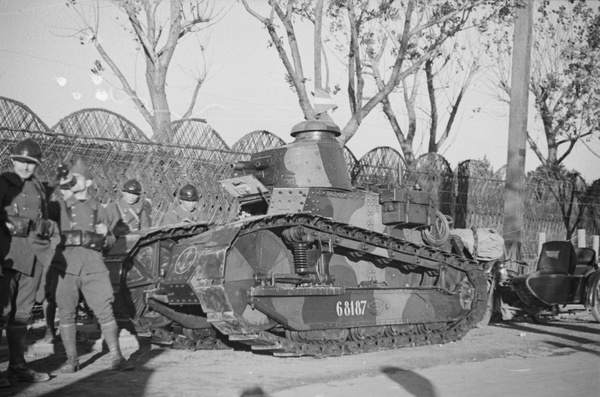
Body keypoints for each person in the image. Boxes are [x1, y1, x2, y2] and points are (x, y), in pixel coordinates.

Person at [51, 159, 133, 373]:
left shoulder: (100, 209)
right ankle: (72, 360)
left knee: (105, 311)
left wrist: (105, 235)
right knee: (67, 313)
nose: (71, 181)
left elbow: (111, 242)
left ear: (88, 183)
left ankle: (116, 356)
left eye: (76, 178)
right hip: (66, 267)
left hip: (94, 267)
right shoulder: (59, 206)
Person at [0, 138, 59, 386]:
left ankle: (17, 366)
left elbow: (42, 217)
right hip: (7, 256)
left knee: (22, 314)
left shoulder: (38, 187)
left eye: (30, 163)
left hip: (32, 258)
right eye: (21, 161)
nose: (25, 167)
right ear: (12, 160)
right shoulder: (3, 184)